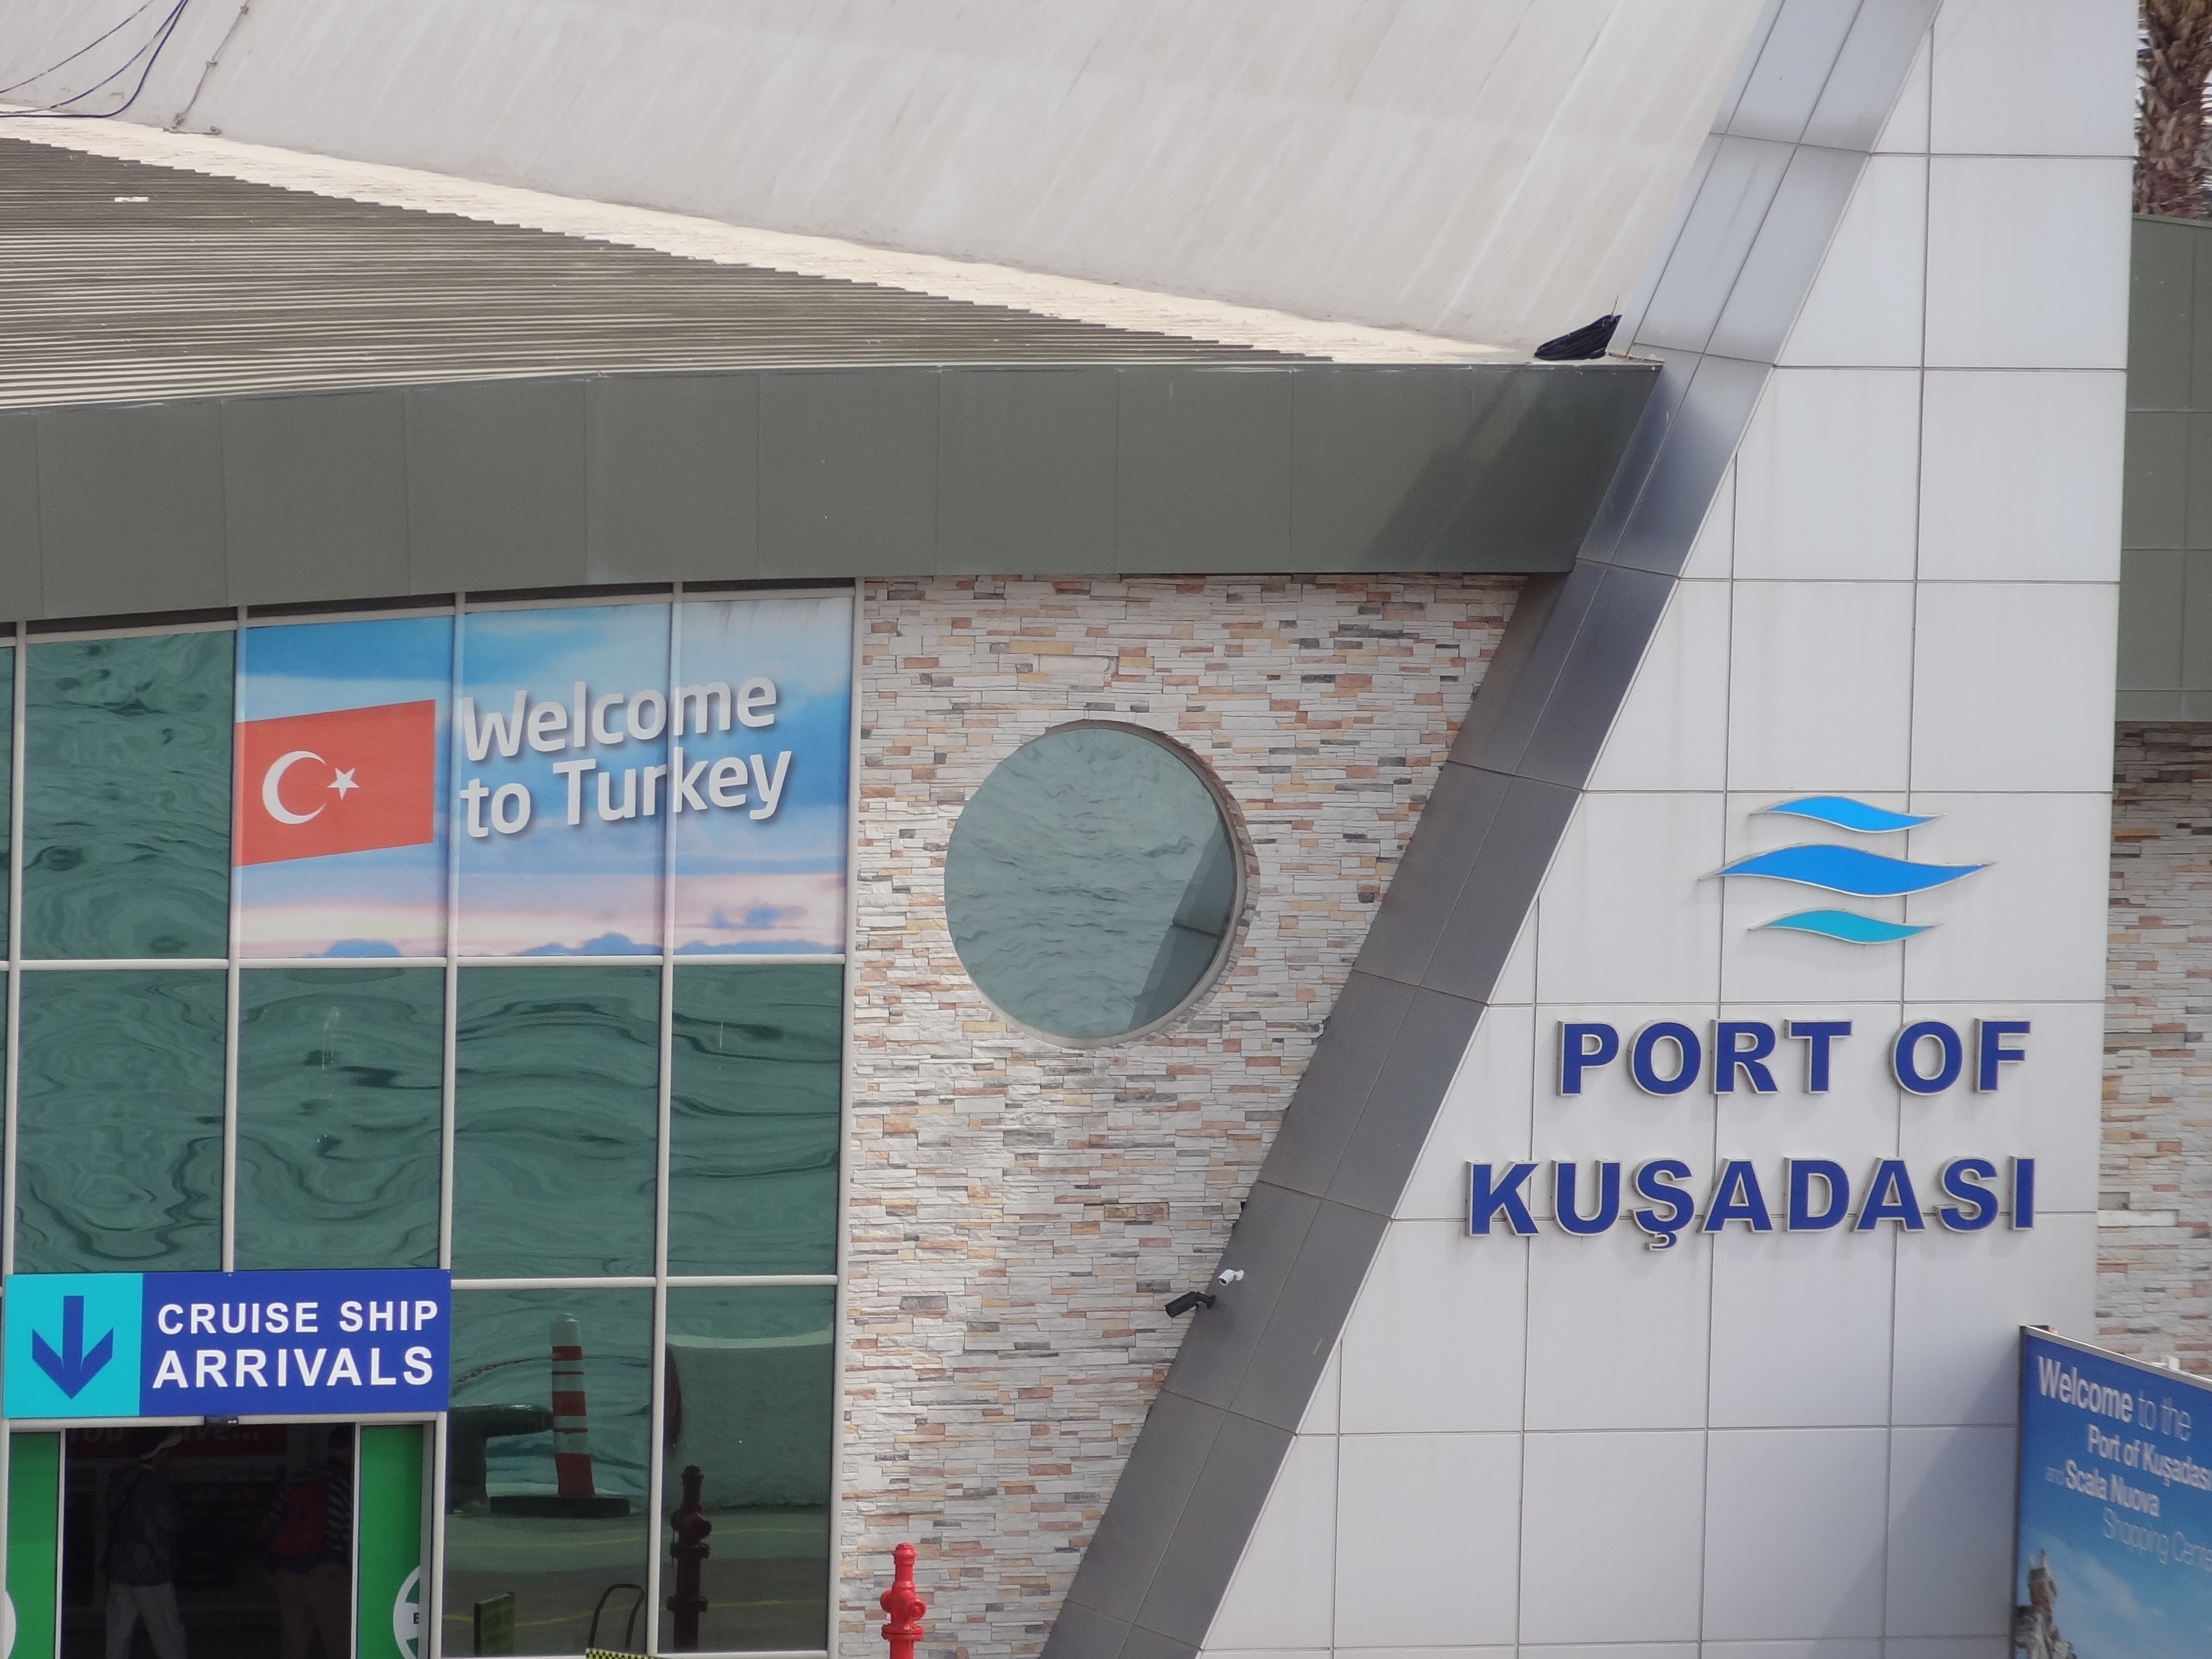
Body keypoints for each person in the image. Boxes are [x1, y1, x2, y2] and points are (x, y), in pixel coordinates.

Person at [264, 1428, 353, 1659]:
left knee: (294, 1645)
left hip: (288, 1571)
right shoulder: (347, 1484)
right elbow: (348, 1537)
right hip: (327, 1572)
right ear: (351, 1453)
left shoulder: (300, 1476)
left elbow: (272, 1520)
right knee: (340, 1644)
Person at [104, 1428, 187, 1659]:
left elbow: (103, 1520)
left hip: (119, 1571)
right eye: (168, 1451)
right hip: (152, 1574)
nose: (171, 1456)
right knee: (168, 1638)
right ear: (157, 1453)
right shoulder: (159, 1486)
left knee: (117, 1638)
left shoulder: (119, 1479)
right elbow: (171, 1524)